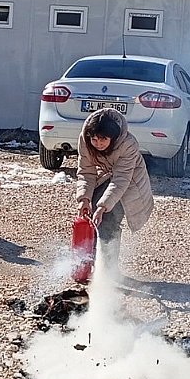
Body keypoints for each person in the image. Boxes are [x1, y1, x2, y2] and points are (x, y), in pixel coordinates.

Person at [72, 108, 154, 270]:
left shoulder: (128, 144)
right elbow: (86, 171)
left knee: (108, 218)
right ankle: (88, 264)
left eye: (103, 139)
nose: (98, 144)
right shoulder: (85, 140)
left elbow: (121, 180)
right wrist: (84, 199)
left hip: (130, 180)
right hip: (104, 174)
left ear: (113, 137)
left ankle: (108, 271)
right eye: (94, 139)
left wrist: (103, 207)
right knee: (90, 214)